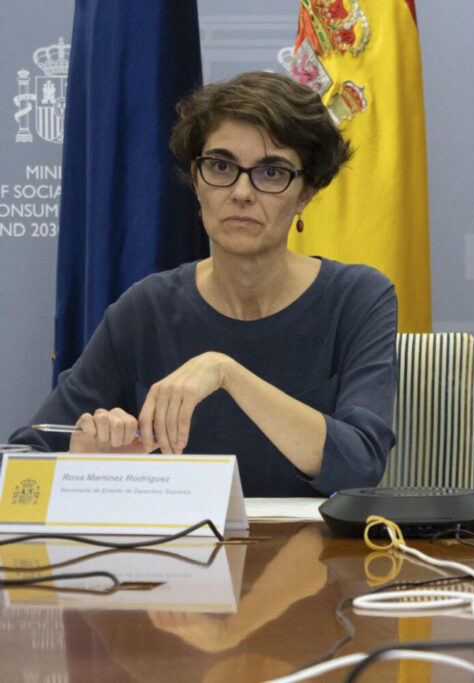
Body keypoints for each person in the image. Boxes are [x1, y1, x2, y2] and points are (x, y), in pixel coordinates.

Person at [9, 71, 398, 497]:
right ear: (196, 181)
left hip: (316, 558)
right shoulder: (146, 309)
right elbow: (25, 463)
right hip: (172, 559)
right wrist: (78, 465)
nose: (242, 192)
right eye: (221, 166)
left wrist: (226, 372)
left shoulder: (358, 298)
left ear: (306, 192)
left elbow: (361, 467)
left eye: (272, 172)